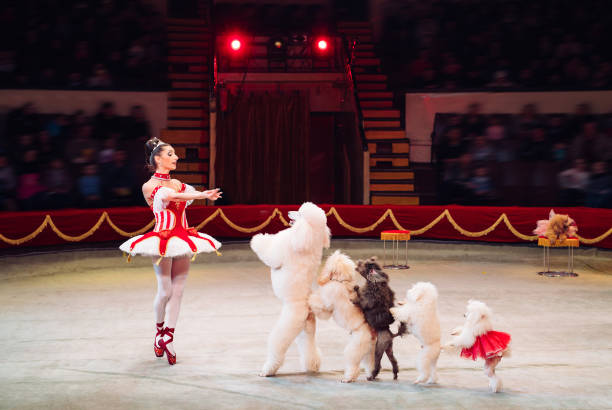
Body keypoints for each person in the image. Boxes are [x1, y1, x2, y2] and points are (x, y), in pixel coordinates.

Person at [119, 137, 222, 365]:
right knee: (165, 290)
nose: (176, 157)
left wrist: (198, 194)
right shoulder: (149, 185)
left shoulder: (177, 183)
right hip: (162, 239)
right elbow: (170, 197)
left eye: (175, 154)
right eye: (171, 154)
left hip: (183, 237)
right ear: (157, 158)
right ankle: (158, 333)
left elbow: (183, 193)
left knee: (179, 291)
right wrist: (201, 195)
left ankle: (169, 337)